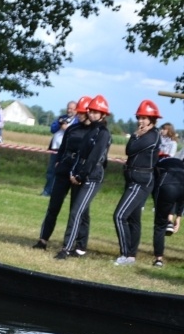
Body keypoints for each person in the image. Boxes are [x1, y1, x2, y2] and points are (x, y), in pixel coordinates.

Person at [55, 94, 112, 260]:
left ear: (103, 115)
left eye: (96, 112)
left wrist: (80, 175)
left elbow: (94, 158)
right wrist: (74, 171)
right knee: (83, 212)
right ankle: (80, 247)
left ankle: (66, 248)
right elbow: (81, 154)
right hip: (81, 174)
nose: (92, 115)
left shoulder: (103, 133)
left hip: (92, 177)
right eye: (91, 111)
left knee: (76, 212)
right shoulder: (92, 130)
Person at [32, 96, 91, 253]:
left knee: (76, 211)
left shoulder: (94, 132)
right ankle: (43, 239)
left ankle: (77, 245)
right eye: (78, 112)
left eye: (81, 112)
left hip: (80, 172)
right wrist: (59, 162)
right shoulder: (72, 129)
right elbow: (63, 147)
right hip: (65, 169)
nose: (78, 115)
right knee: (53, 206)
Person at [113, 100, 162, 266]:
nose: (140, 120)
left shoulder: (153, 135)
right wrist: (135, 136)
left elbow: (131, 149)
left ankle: (125, 254)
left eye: (144, 117)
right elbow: (129, 148)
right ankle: (131, 255)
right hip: (133, 178)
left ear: (152, 119)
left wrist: (135, 136)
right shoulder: (141, 134)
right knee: (134, 219)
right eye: (139, 117)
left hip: (141, 180)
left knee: (119, 215)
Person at [152, 156, 184, 267]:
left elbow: (154, 185)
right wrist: (178, 217)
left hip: (165, 185)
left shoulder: (158, 164)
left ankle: (158, 259)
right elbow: (181, 200)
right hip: (182, 186)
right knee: (175, 198)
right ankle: (170, 220)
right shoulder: (181, 165)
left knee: (159, 225)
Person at [43, 101, 77, 196]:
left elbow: (76, 134)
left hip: (67, 151)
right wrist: (59, 124)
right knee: (51, 171)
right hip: (55, 148)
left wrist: (67, 129)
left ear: (76, 109)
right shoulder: (61, 118)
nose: (69, 110)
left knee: (62, 173)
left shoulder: (77, 121)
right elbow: (52, 129)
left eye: (71, 108)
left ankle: (57, 193)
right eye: (68, 108)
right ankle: (47, 191)